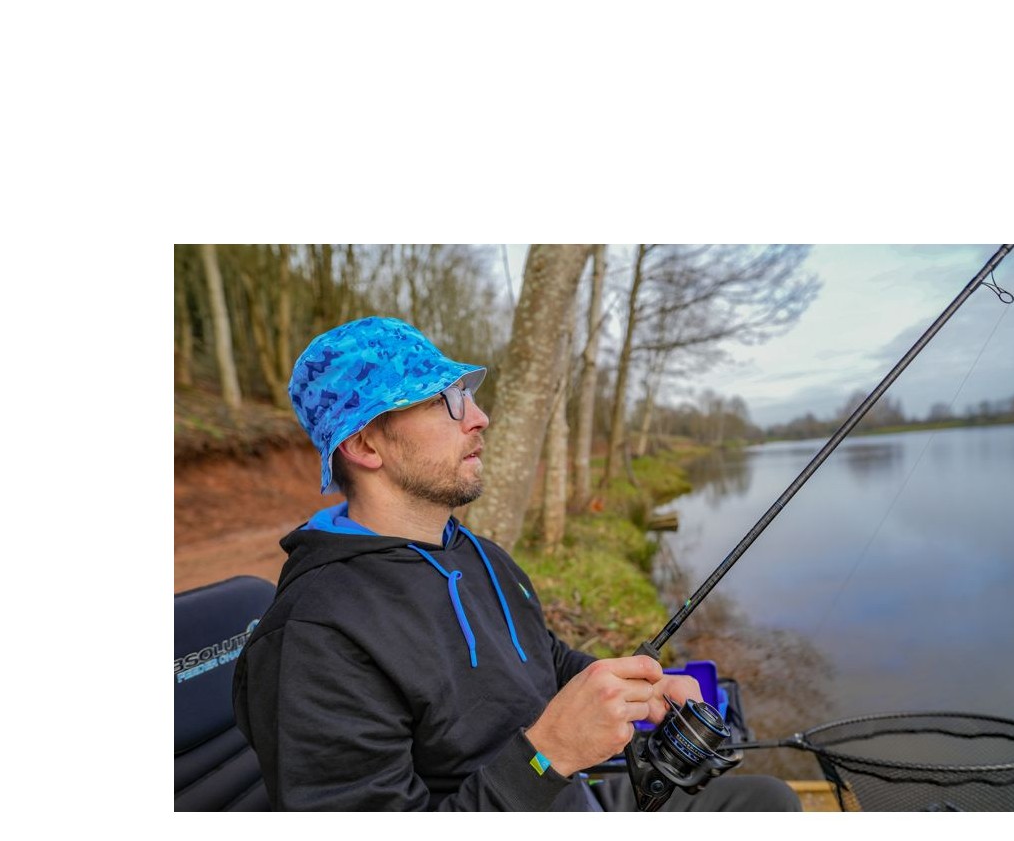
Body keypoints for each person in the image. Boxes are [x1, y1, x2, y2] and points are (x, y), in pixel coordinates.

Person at [233, 316, 801, 812]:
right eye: (442, 402)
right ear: (364, 447)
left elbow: (544, 660)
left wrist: (639, 689)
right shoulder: (313, 639)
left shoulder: (476, 554)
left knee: (768, 801)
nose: (479, 417)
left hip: (569, 799)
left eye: (466, 394)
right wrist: (549, 754)